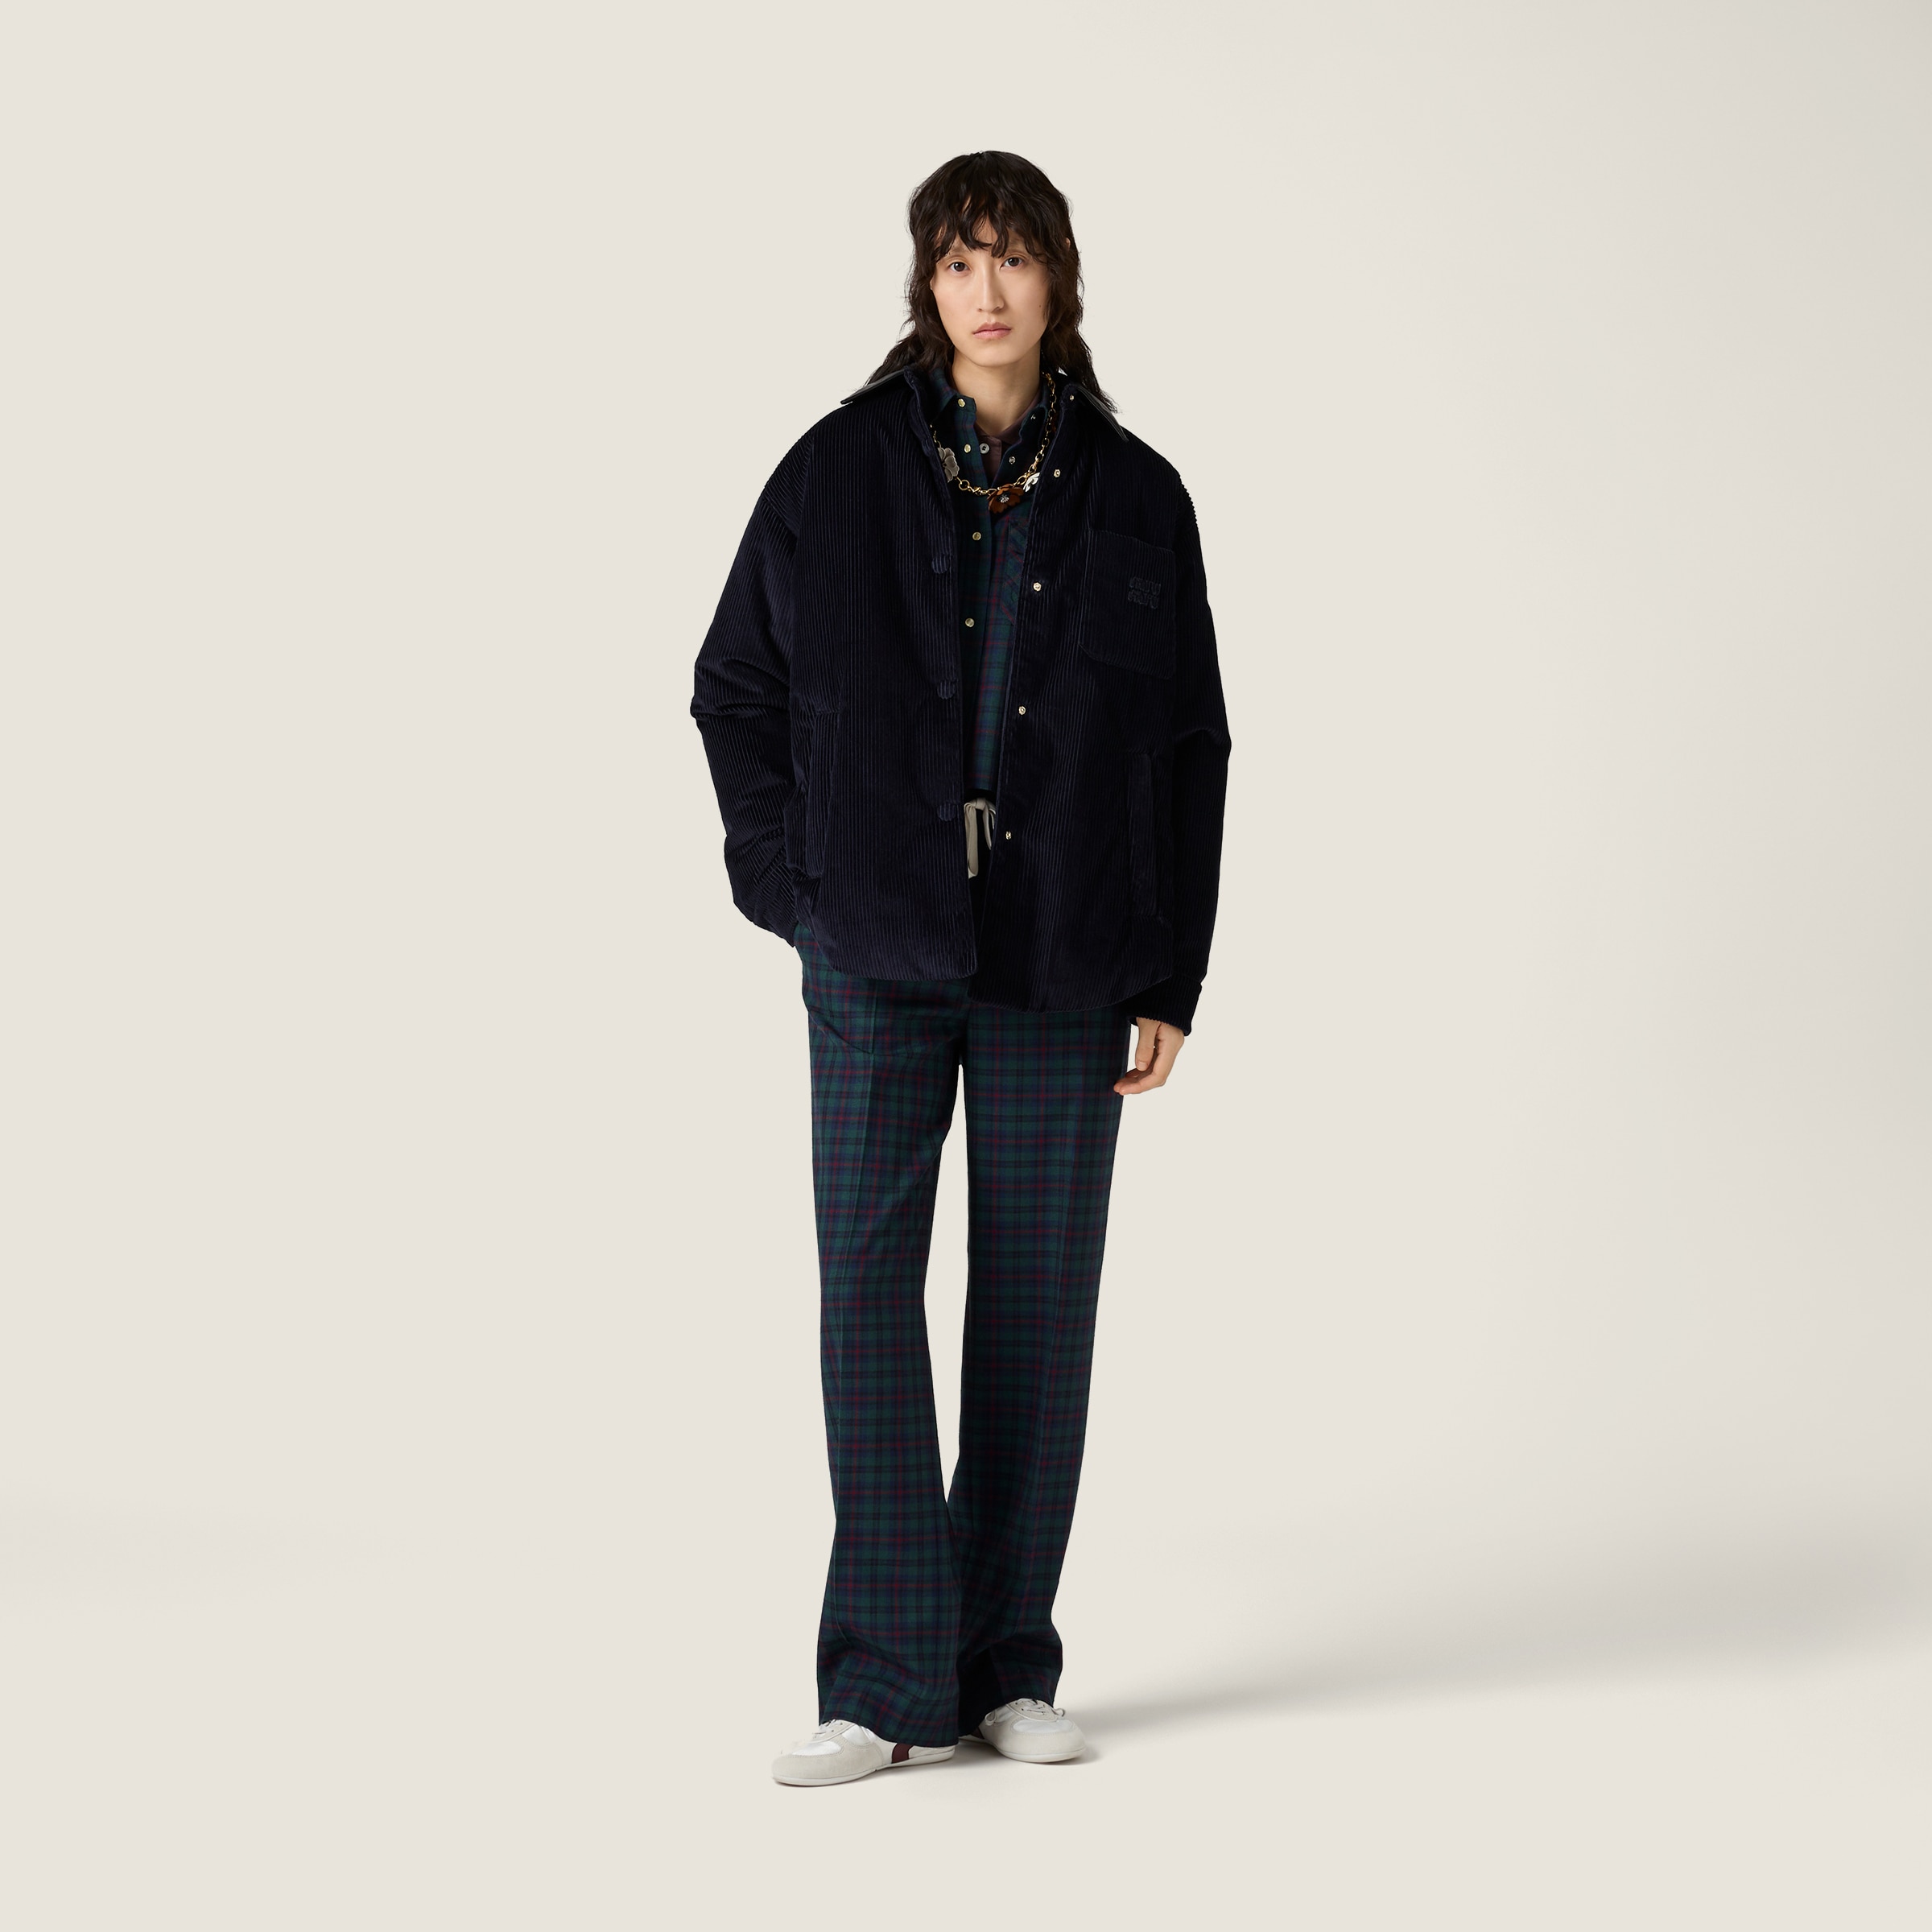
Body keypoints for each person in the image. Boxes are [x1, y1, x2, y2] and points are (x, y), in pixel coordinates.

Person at [690, 151, 1232, 1786]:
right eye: (958, 260)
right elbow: (734, 688)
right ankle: (880, 1681)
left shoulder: (1138, 497)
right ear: (926, 285)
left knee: (1037, 1303)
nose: (987, 290)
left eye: (1013, 258)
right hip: (874, 945)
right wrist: (795, 887)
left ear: (1059, 279)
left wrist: (1171, 973)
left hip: (1068, 956)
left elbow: (1191, 748)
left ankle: (1006, 1663)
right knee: (867, 1293)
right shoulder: (834, 470)